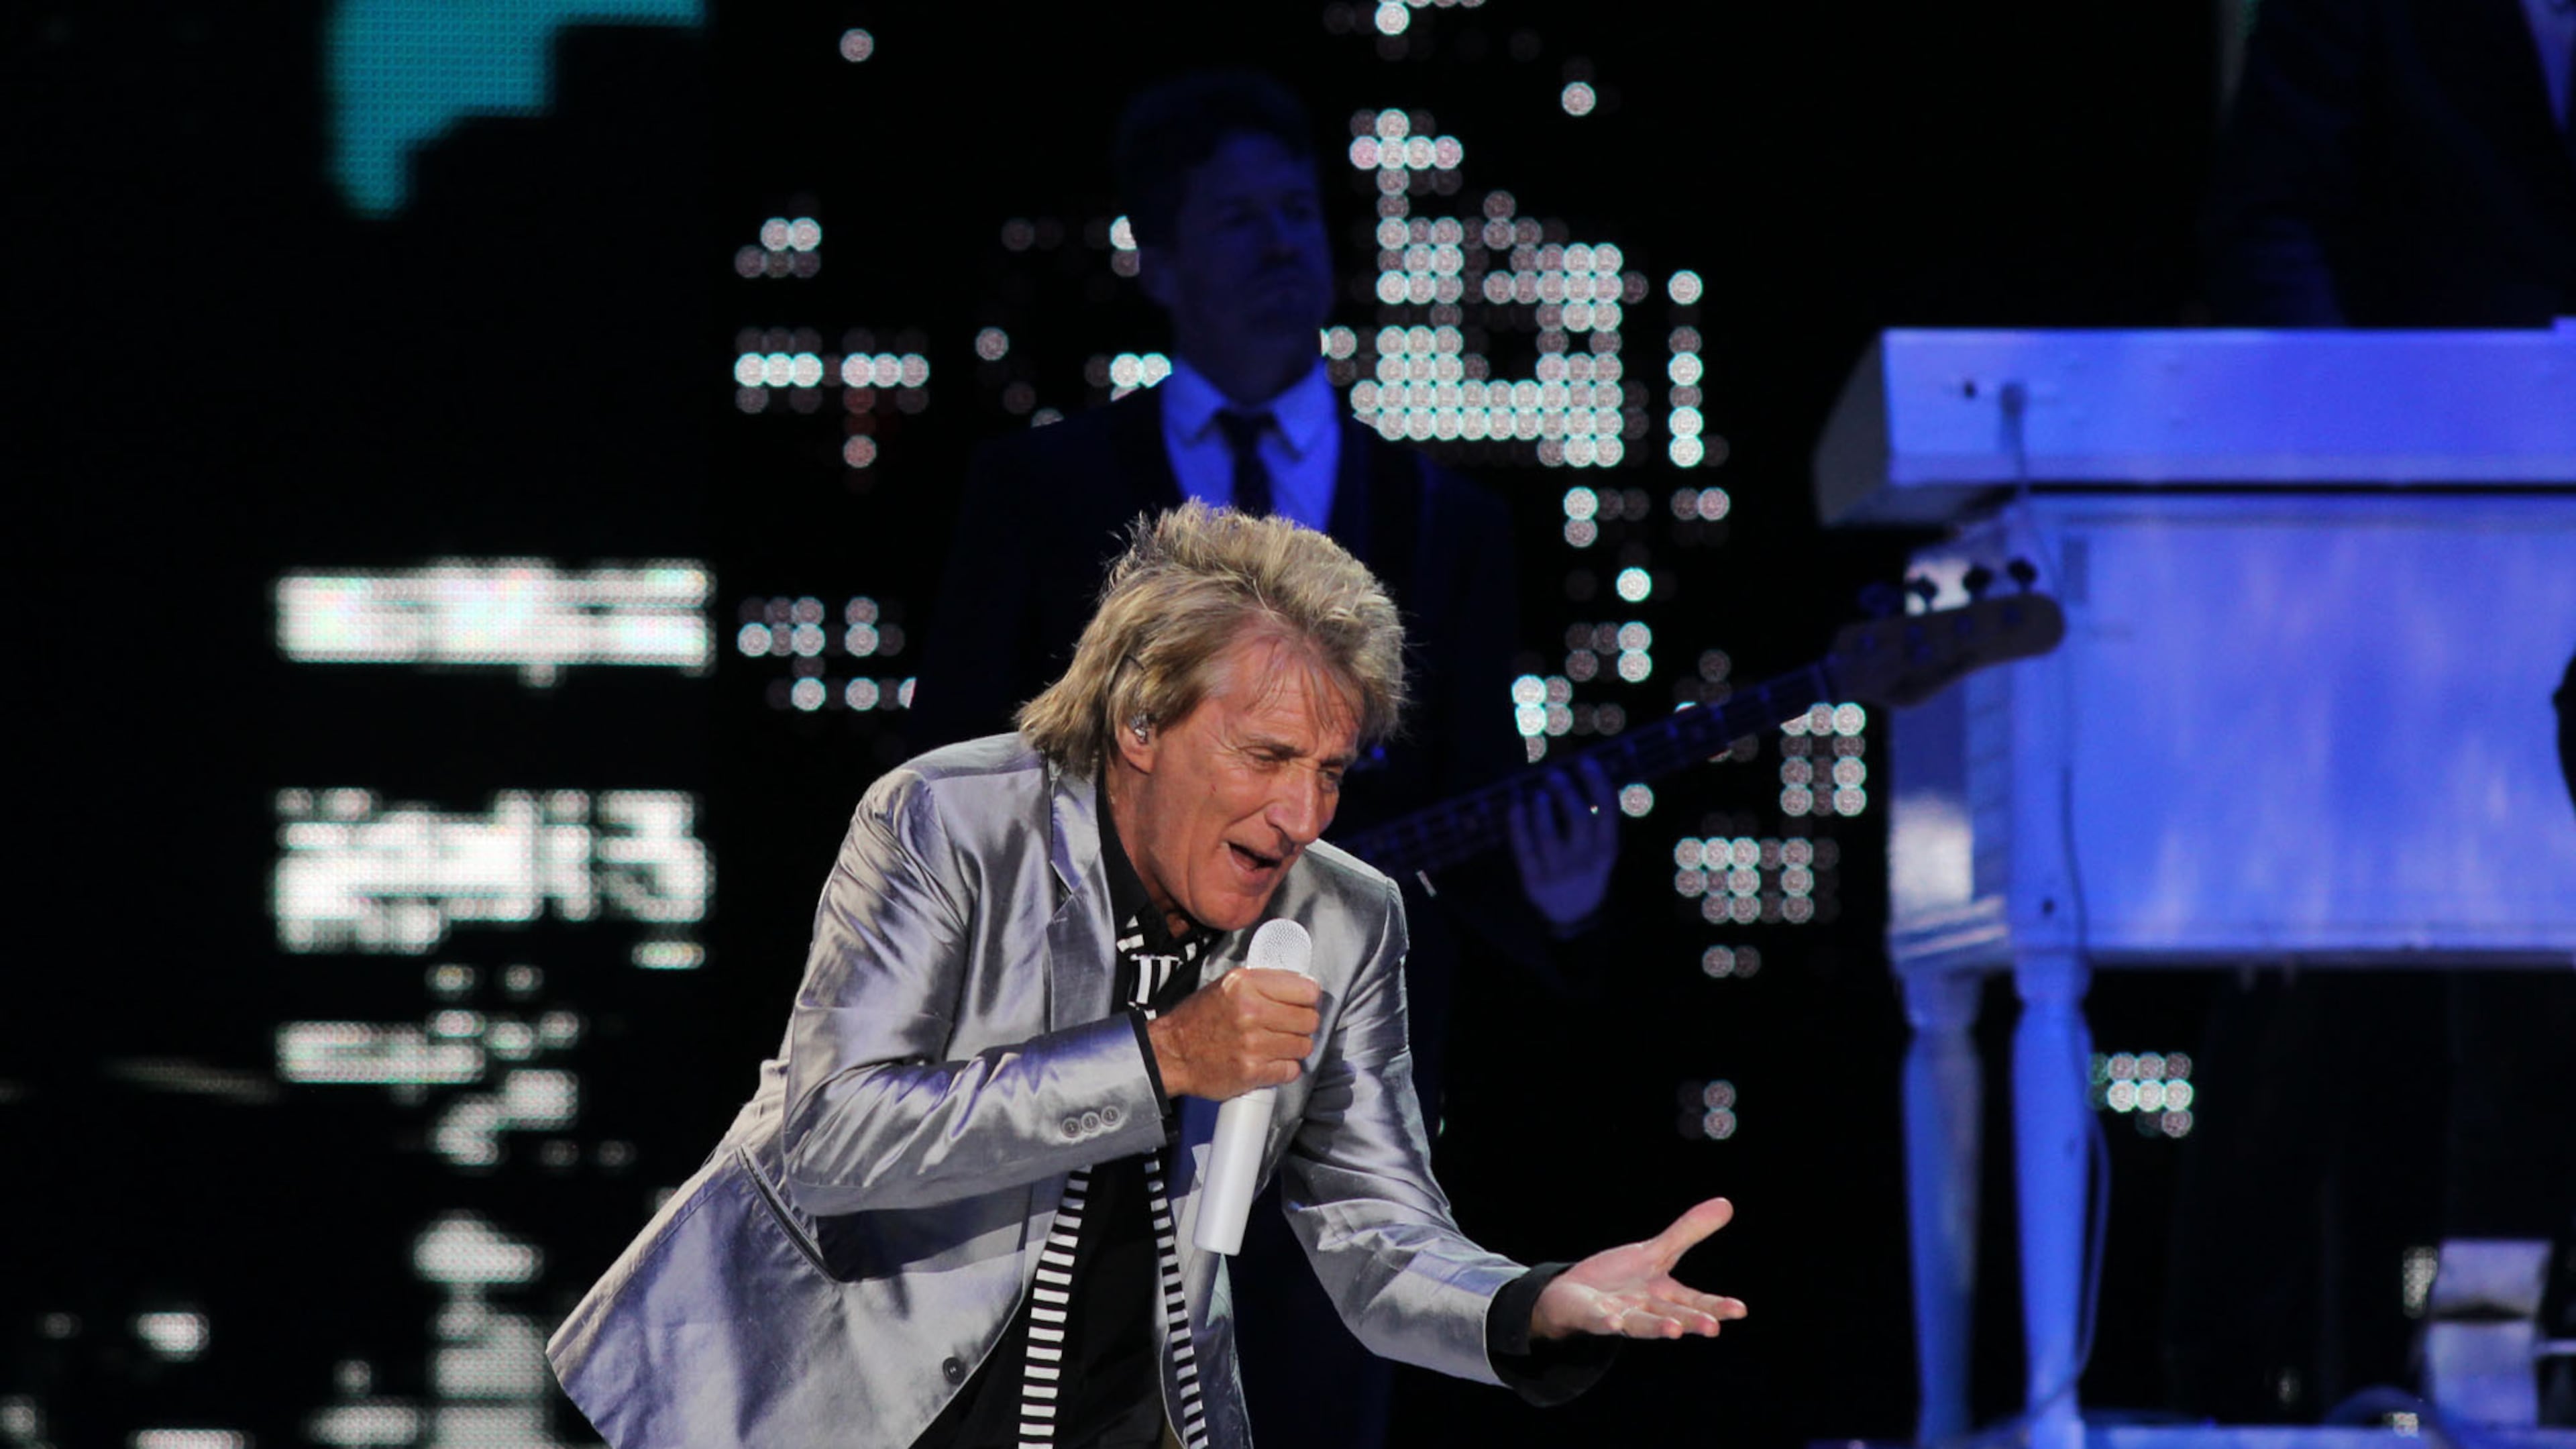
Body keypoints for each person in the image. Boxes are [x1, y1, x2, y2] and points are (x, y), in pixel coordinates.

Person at [546, 504, 1746, 1449]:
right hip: (836, 1399)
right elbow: (829, 1138)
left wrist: (1528, 1304)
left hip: (1122, 1411)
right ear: (1138, 720)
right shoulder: (947, 824)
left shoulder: (1346, 917)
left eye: (1331, 770)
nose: (1301, 814)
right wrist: (1164, 1058)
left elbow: (1375, 1231)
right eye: (1268, 756)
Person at [908, 72, 1621, 1447]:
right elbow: (947, 780)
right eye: (1240, 218)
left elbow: (1471, 824)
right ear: (1160, 259)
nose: (1285, 241)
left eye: (1300, 211)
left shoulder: (1442, 522)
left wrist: (1568, 899)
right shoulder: (1043, 493)